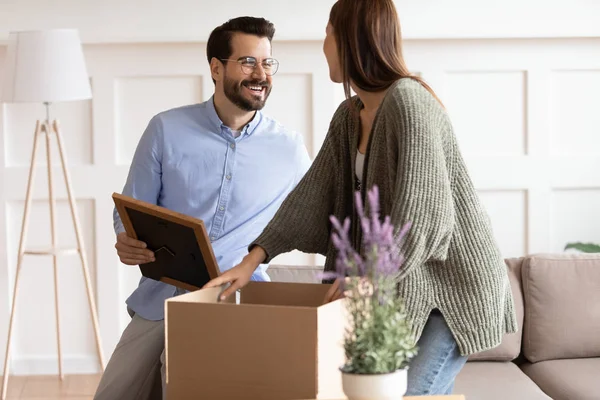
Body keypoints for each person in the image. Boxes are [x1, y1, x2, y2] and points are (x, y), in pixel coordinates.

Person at [203, 0, 517, 396]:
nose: (323, 47)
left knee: (406, 394)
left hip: (451, 290)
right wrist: (251, 261)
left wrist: (367, 279)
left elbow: (426, 218)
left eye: (328, 35)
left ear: (351, 40)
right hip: (401, 284)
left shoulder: (409, 102)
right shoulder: (349, 115)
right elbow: (312, 196)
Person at [93, 16, 312, 400]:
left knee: (183, 381)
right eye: (247, 62)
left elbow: (317, 219)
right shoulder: (165, 128)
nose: (260, 74)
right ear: (216, 67)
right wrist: (126, 238)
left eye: (267, 63)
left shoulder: (290, 149)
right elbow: (130, 208)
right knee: (114, 392)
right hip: (161, 296)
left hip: (238, 301)